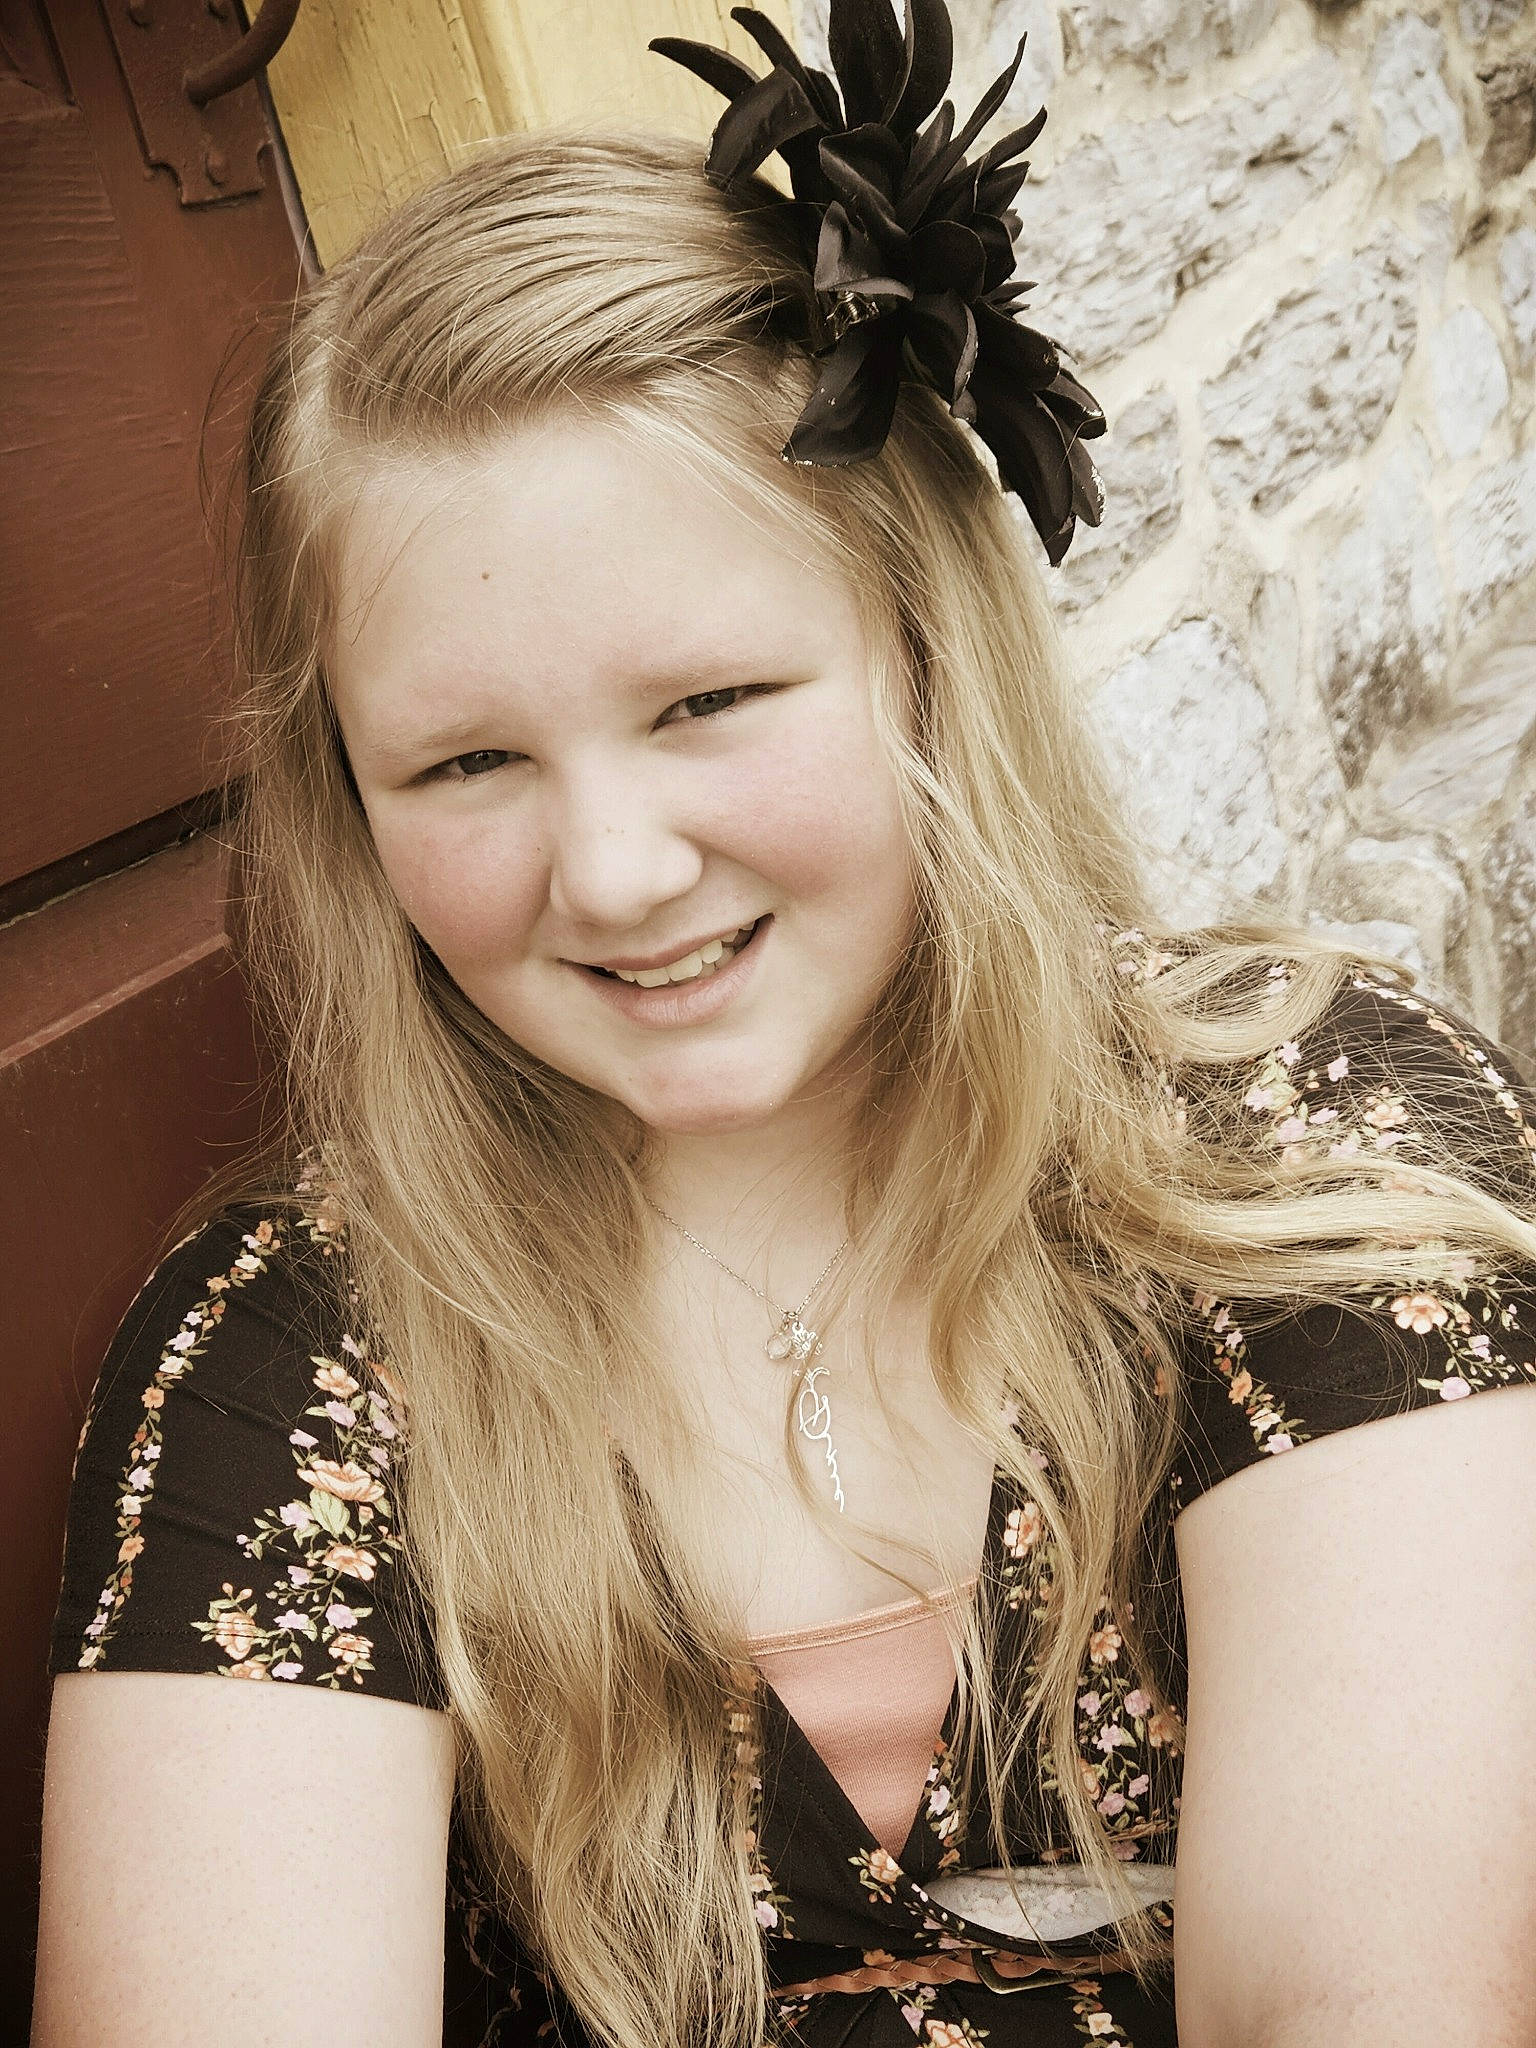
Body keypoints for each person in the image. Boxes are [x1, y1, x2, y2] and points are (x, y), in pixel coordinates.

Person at [32, 5, 1536, 2043]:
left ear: (928, 659)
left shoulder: (1298, 1155)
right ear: (348, 806)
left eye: (707, 704)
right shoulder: (297, 1360)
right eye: (467, 763)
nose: (618, 868)